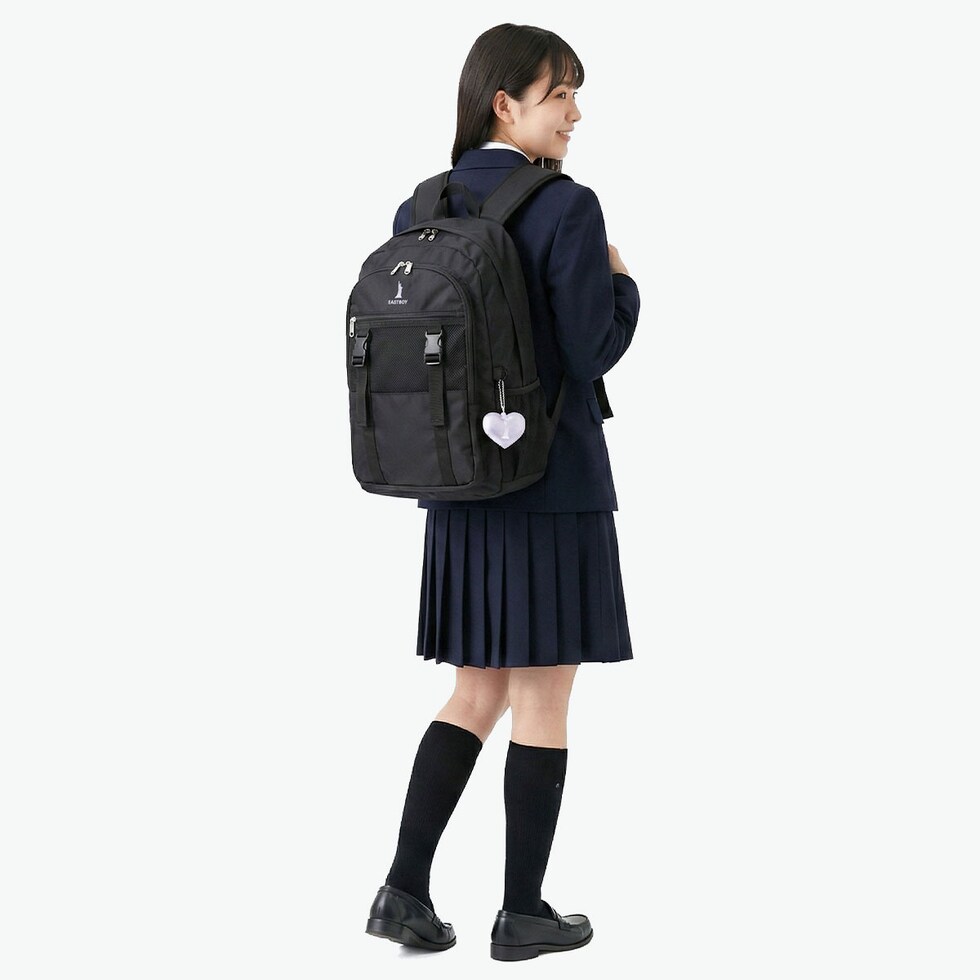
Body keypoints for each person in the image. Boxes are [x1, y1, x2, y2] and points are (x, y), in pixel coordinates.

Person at [364, 22, 640, 962]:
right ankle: (523, 911)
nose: (575, 112)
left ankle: (403, 889)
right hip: (551, 483)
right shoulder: (567, 207)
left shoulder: (420, 206)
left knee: (474, 690)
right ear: (504, 103)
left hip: (456, 484)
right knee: (544, 696)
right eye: (559, 93)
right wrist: (626, 288)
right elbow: (590, 350)